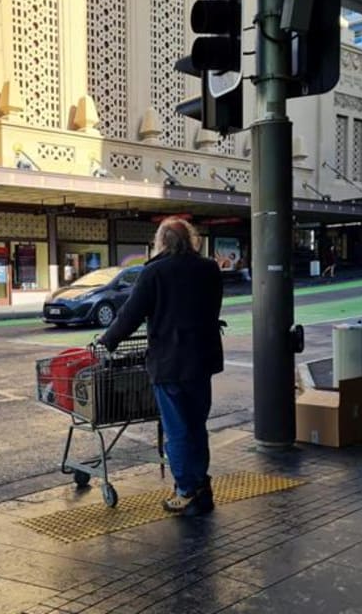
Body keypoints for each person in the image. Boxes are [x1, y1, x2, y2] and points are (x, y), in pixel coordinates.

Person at [99, 217, 224, 516]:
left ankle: (186, 491)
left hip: (170, 363)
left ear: (162, 242)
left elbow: (130, 314)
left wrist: (108, 340)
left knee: (177, 430)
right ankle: (201, 487)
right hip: (202, 361)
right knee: (196, 426)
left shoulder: (154, 272)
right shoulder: (209, 269)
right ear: (191, 240)